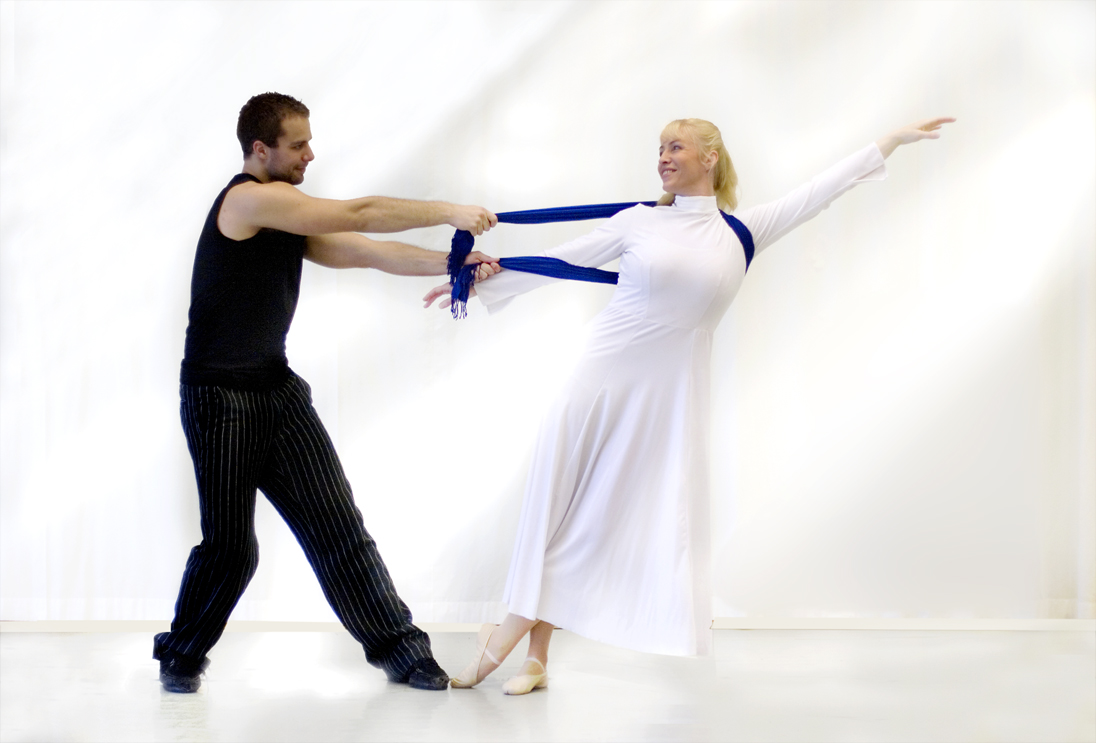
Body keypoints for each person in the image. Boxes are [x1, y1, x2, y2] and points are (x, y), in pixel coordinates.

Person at [424, 116, 955, 694]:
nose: (663, 157)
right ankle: (527, 652)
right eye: (659, 148)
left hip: (665, 402)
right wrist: (474, 281)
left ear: (710, 157)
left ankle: (507, 641)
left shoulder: (742, 232)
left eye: (675, 146)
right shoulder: (639, 221)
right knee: (559, 507)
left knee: (597, 517)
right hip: (599, 379)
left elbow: (817, 193)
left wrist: (890, 141)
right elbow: (561, 259)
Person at [155, 92, 500, 693]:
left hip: (277, 390)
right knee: (232, 550)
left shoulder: (287, 219)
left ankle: (402, 651)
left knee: (338, 529)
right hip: (219, 397)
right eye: (297, 145)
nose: (310, 154)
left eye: (309, 142)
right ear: (259, 149)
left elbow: (367, 251)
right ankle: (181, 656)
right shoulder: (247, 200)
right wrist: (451, 211)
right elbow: (361, 212)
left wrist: (453, 266)